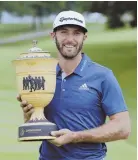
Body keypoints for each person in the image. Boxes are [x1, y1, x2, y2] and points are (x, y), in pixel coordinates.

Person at [17, 10, 131, 160]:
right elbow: (38, 127)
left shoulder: (103, 76)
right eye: (64, 32)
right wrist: (29, 116)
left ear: (85, 37)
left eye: (76, 33)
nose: (70, 39)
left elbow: (123, 128)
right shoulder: (43, 76)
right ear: (53, 35)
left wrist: (76, 136)